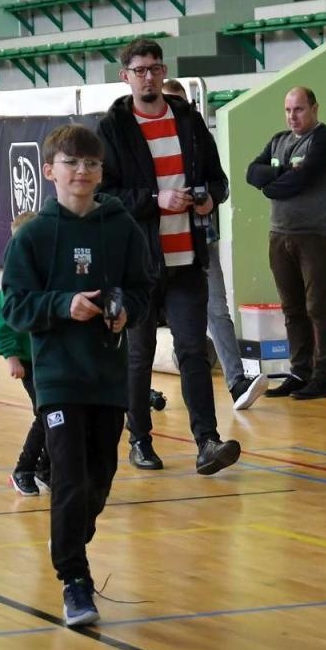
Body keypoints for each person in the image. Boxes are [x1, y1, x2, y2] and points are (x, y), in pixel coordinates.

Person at [2, 125, 152, 626]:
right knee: (67, 478)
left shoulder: (121, 226)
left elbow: (143, 286)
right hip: (59, 376)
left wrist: (125, 309)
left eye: (91, 164)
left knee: (98, 481)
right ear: (49, 171)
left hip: (108, 375)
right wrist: (65, 305)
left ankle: (69, 533)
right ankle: (75, 581)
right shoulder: (34, 236)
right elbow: (17, 306)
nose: (82, 172)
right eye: (71, 163)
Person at [97, 39, 241, 475]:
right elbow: (107, 194)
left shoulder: (188, 119)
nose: (149, 77)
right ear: (125, 77)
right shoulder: (113, 128)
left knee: (193, 351)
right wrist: (156, 200)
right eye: (140, 70)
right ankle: (140, 439)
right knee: (138, 356)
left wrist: (207, 199)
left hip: (188, 258)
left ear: (164, 72)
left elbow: (219, 180)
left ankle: (207, 442)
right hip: (138, 264)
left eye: (155, 69)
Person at [162, 77, 266, 412]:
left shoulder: (198, 138)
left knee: (217, 309)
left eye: (181, 104)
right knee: (157, 322)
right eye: (169, 103)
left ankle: (236, 382)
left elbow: (220, 183)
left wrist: (210, 199)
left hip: (202, 239)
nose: (176, 111)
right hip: (159, 247)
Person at [244, 87, 326, 401]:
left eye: (299, 109)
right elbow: (252, 173)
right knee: (292, 309)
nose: (293, 117)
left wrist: (272, 183)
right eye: (288, 110)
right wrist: (281, 171)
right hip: (280, 235)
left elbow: (301, 180)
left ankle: (324, 377)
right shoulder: (279, 140)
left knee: (319, 307)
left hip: (316, 234)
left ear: (314, 108)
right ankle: (299, 373)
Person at [0, 210, 51, 496]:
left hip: (52, 357)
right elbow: (1, 320)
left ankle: (46, 470)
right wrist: (12, 357)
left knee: (60, 413)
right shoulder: (16, 281)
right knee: (46, 414)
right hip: (29, 361)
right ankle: (23, 470)